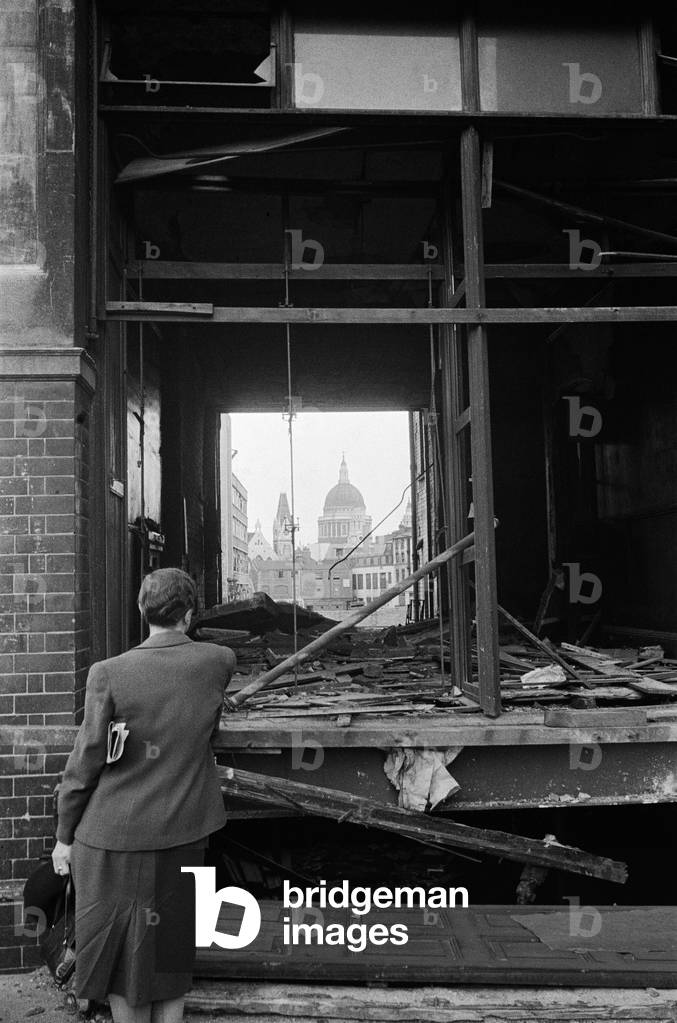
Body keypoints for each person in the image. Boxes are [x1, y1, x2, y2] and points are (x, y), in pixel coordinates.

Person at [51, 568, 235, 1023]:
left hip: (112, 839)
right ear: (189, 616)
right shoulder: (218, 661)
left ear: (140, 610)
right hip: (184, 832)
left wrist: (63, 835)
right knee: (171, 958)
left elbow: (84, 764)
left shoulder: (108, 674)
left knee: (120, 968)